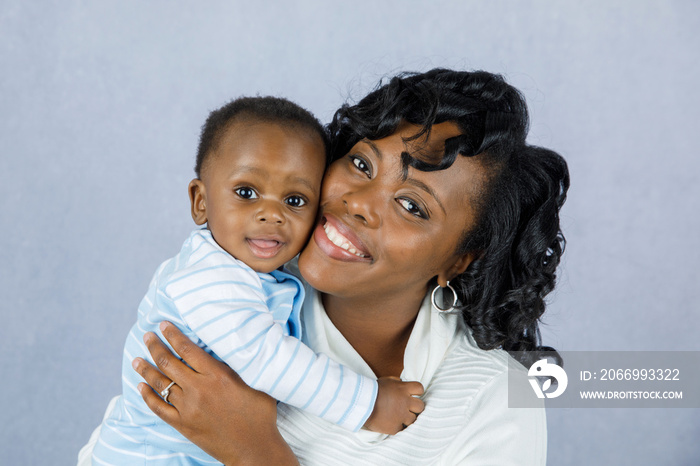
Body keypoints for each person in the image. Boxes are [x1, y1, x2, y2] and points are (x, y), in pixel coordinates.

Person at [80, 68, 569, 465]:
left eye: (412, 206)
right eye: (361, 165)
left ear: (460, 260)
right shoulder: (251, 284)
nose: (357, 204)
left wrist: (256, 452)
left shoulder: (496, 403)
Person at [89, 96, 425, 465]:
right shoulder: (209, 279)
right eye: (246, 193)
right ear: (201, 202)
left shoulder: (254, 271)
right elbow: (269, 360)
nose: (271, 214)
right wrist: (369, 403)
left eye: (295, 200)